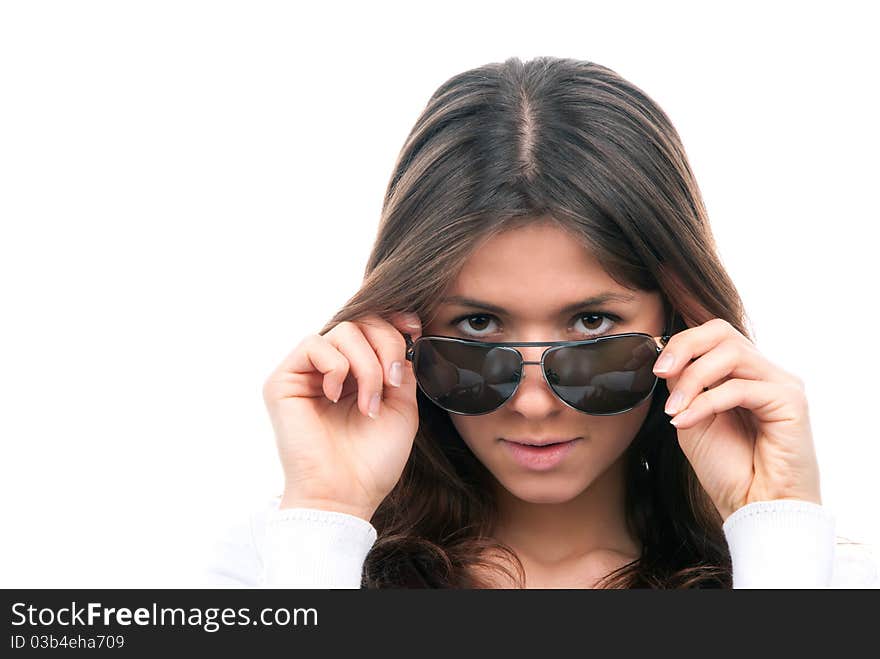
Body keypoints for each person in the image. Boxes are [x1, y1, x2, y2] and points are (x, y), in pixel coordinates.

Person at [204, 56, 878, 588]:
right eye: (475, 327)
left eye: (590, 323)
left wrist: (778, 520)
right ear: (404, 336)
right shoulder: (284, 564)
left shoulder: (811, 574)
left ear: (680, 322)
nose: (533, 404)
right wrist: (326, 511)